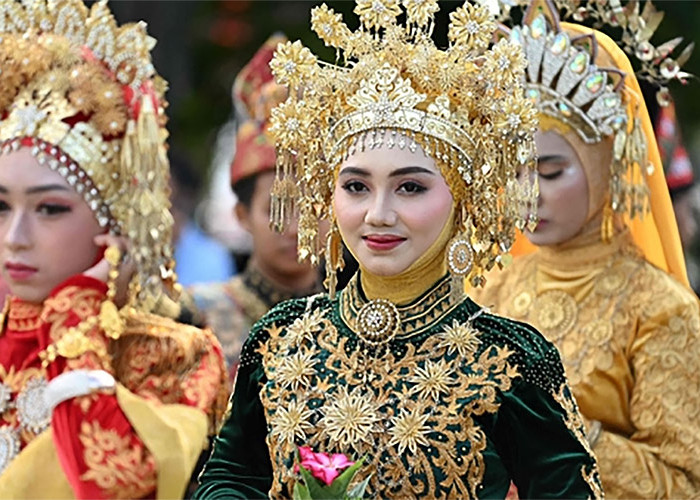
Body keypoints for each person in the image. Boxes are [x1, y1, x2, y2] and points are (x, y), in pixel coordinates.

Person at [194, 1, 602, 498]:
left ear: (462, 201)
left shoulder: (510, 360)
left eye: (410, 188)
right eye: (356, 187)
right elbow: (230, 477)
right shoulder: (279, 341)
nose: (378, 214)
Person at [0, 1, 228, 498]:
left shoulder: (170, 355)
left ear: (114, 224)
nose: (15, 235)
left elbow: (120, 487)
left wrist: (75, 321)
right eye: (1, 206)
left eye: (50, 209)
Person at [475, 1, 700, 497]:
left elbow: (684, 483)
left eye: (549, 172)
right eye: (512, 172)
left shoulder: (660, 310)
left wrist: (558, 428)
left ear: (603, 168)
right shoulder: (490, 291)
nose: (526, 193)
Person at [190, 35, 322, 377]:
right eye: (276, 210)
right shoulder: (194, 316)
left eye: (311, 209)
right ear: (242, 215)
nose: (295, 228)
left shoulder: (362, 317)